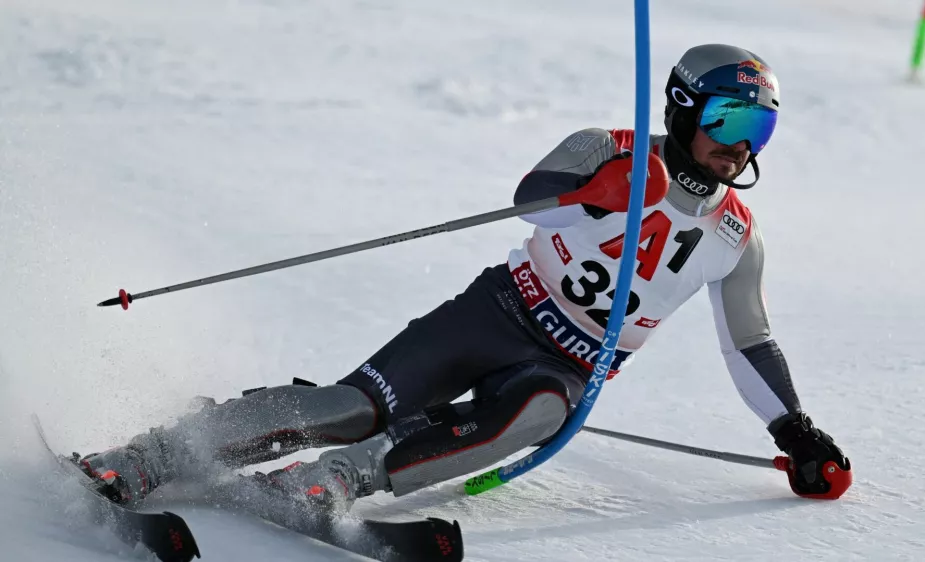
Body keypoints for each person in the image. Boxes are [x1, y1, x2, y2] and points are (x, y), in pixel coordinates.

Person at [73, 44, 851, 511]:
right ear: (683, 111)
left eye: (759, 130)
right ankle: (152, 453)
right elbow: (528, 200)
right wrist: (598, 190)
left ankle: (336, 483)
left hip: (568, 365)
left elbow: (750, 341)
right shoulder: (610, 148)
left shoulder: (735, 237)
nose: (739, 148)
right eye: (728, 123)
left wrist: (796, 431)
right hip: (498, 313)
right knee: (352, 407)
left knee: (540, 412)